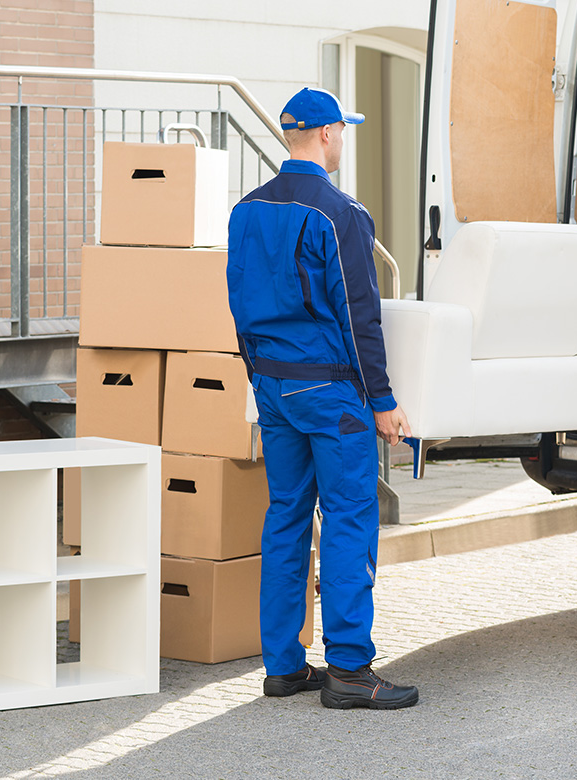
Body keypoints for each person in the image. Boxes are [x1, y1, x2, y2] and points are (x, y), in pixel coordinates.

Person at [226, 87, 418, 709]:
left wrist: (261, 379)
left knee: (286, 516)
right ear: (330, 134)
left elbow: (238, 303)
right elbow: (361, 316)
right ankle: (350, 671)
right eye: (345, 130)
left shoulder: (246, 212)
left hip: (274, 388)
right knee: (348, 519)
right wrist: (383, 400)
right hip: (332, 392)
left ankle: (283, 667)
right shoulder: (340, 213)